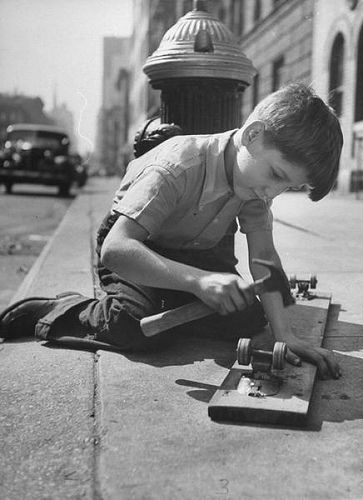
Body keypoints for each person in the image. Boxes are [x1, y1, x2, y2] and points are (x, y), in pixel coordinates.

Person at [0, 83, 343, 379]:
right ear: (253, 136)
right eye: (278, 175)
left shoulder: (255, 184)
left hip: (197, 249)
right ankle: (58, 311)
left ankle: (170, 298)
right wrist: (196, 282)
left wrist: (284, 335)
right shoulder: (179, 165)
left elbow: (264, 259)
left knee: (248, 317)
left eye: (287, 187)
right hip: (140, 247)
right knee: (131, 327)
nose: (273, 193)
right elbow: (117, 250)